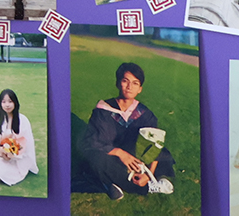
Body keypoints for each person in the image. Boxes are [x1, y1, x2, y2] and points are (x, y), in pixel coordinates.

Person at [74, 60, 177, 197]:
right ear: (118, 83)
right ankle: (146, 187)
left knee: (163, 153)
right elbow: (92, 142)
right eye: (125, 81)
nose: (129, 87)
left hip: (134, 159)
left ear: (140, 89)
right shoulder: (103, 111)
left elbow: (153, 147)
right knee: (96, 159)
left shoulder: (145, 114)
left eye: (135, 83)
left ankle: (114, 182)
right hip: (111, 155)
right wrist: (120, 153)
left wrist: (148, 174)